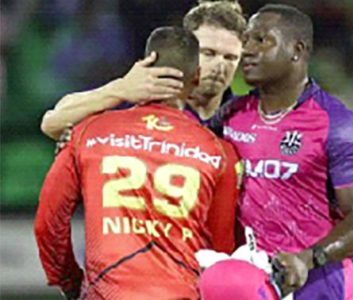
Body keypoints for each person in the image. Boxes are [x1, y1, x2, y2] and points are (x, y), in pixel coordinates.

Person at [34, 26, 241, 299]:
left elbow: (49, 223)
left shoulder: (88, 132)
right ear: (197, 77)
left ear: (143, 66)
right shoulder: (220, 152)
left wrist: (70, 281)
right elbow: (219, 252)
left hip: (106, 292)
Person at [206, 4, 353, 299]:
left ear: (297, 50)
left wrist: (308, 258)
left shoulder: (338, 126)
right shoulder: (232, 115)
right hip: (257, 279)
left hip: (320, 281)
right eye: (246, 40)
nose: (247, 50)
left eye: (261, 40)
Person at [40, 0, 246, 140]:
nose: (220, 66)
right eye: (208, 53)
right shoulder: (146, 100)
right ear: (187, 49)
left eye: (230, 57)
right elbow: (53, 124)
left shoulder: (247, 116)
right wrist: (119, 89)